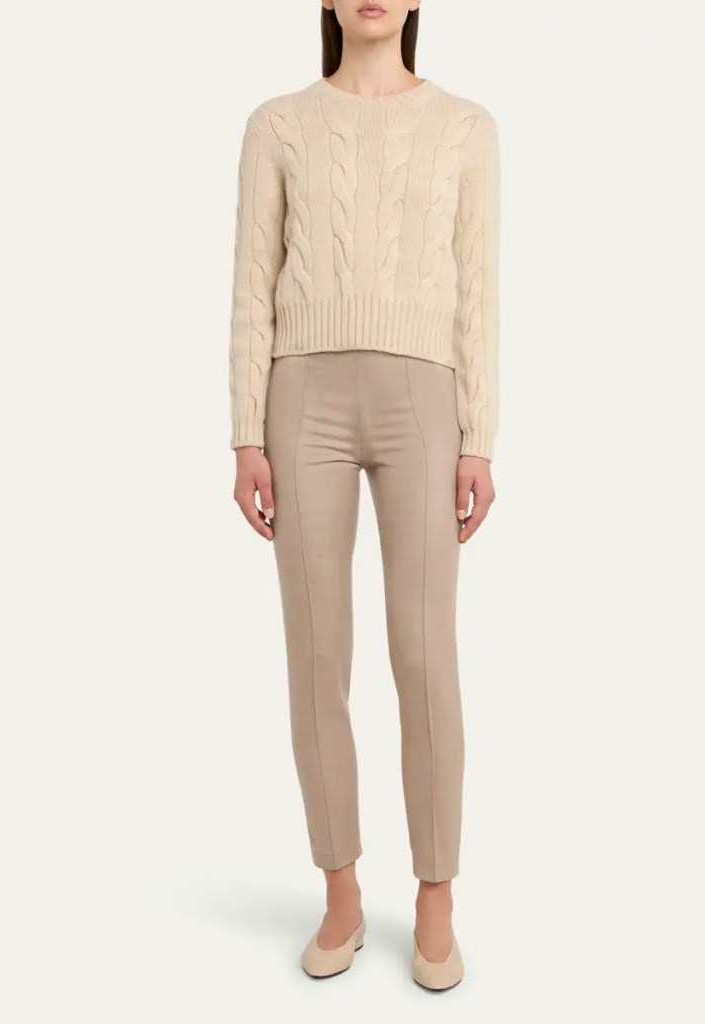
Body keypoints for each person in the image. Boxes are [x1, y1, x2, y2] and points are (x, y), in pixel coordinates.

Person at [229, 0, 499, 991]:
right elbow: (251, 285)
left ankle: (436, 895)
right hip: (301, 400)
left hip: (424, 402)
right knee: (317, 655)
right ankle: (340, 889)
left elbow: (478, 292)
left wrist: (480, 437)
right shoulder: (277, 125)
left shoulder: (466, 128)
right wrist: (246, 431)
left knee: (424, 651)